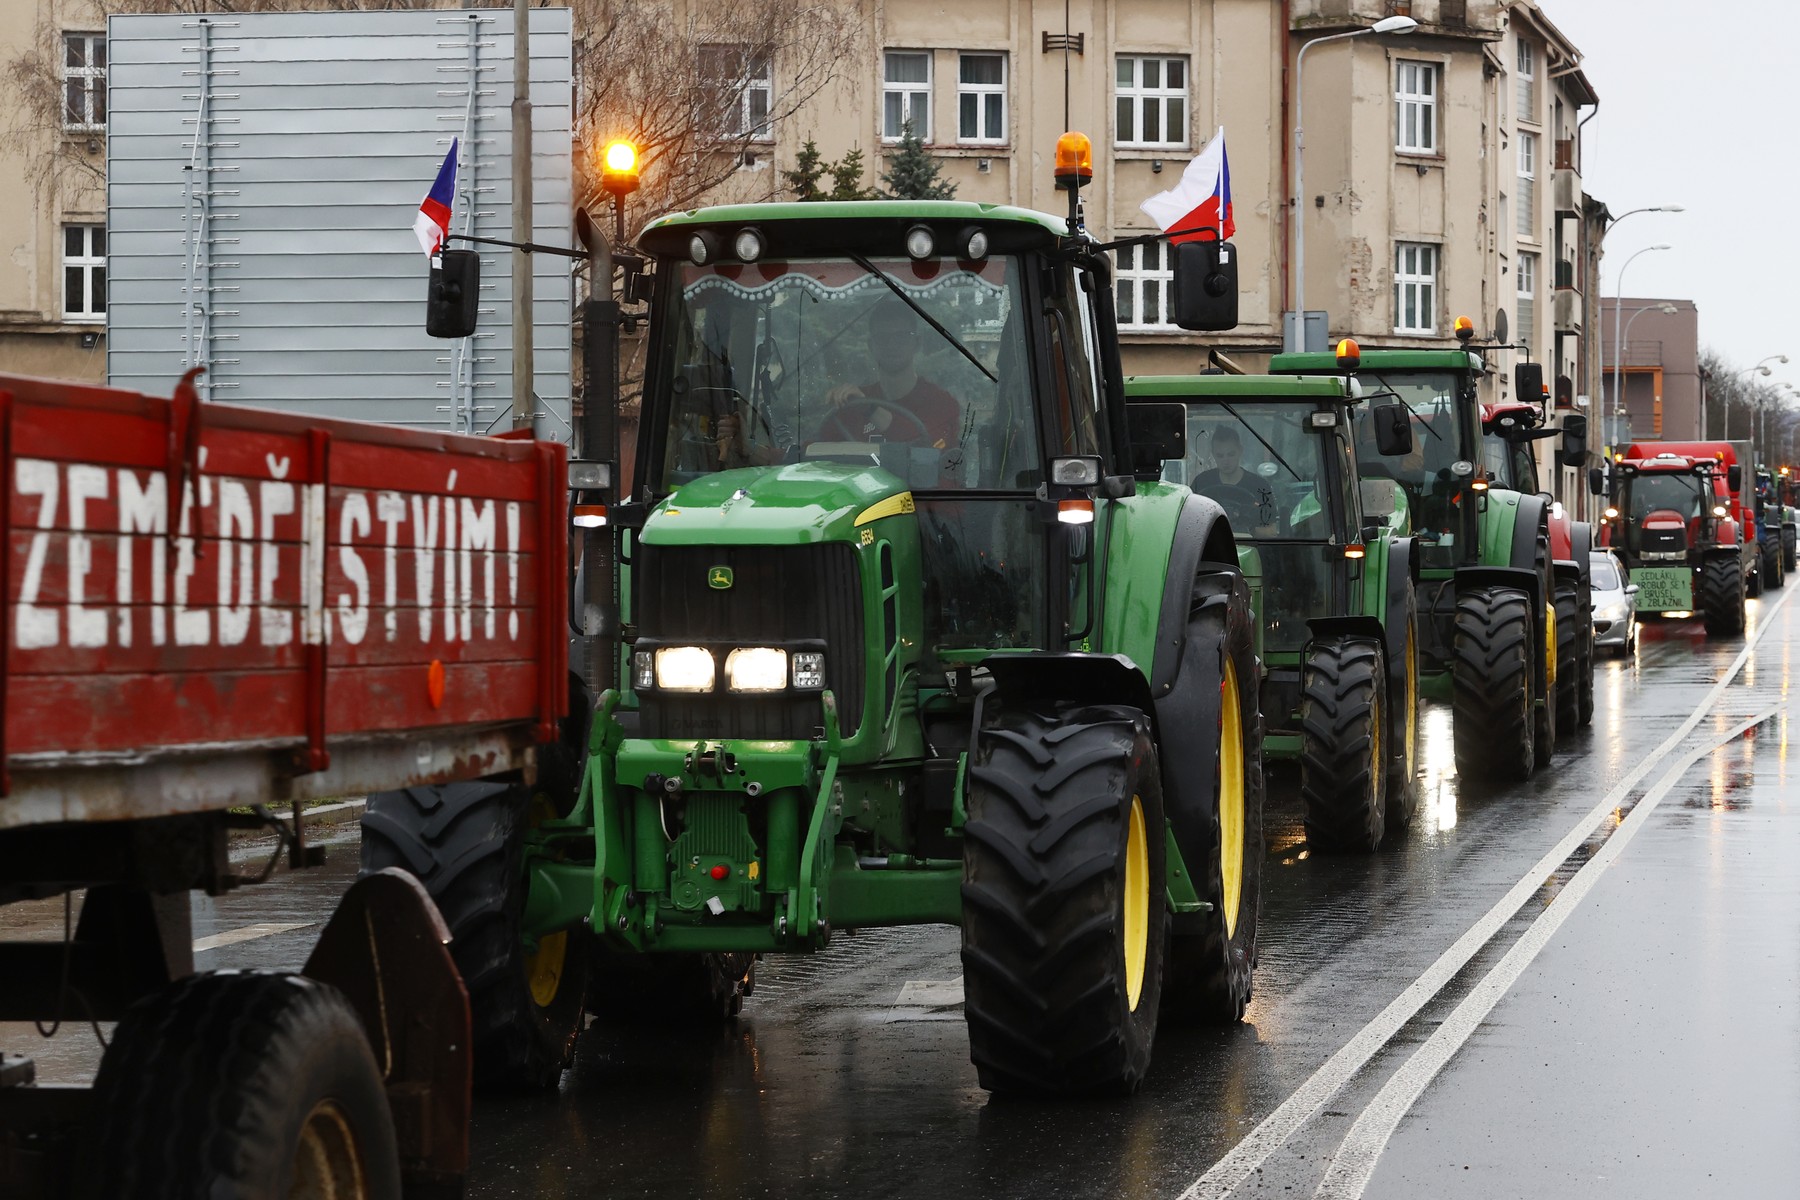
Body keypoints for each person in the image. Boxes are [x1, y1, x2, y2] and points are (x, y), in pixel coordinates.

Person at [717, 298, 961, 464]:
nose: (892, 345)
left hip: (929, 520)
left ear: (916, 343)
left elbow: (924, 450)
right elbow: (806, 457)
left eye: (901, 337)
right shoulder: (852, 408)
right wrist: (747, 448)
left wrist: (871, 409)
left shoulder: (941, 405)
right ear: (871, 346)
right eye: (883, 337)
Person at [1193, 425, 1279, 536]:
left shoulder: (1260, 487)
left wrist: (1249, 529)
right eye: (1220, 455)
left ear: (1240, 451)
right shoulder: (1201, 483)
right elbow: (1189, 523)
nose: (1226, 460)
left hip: (1251, 549)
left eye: (1231, 454)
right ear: (1213, 454)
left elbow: (1271, 531)